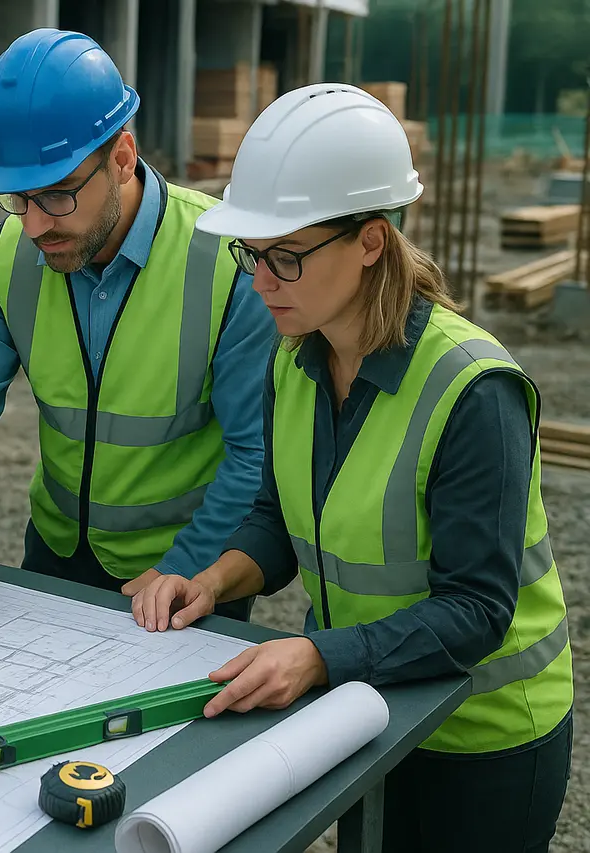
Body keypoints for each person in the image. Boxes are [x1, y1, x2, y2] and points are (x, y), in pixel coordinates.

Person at [132, 83, 573, 852]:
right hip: (366, 713)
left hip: (486, 739)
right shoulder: (293, 363)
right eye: (252, 254)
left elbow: (476, 607)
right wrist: (212, 579)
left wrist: (317, 656)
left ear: (371, 241)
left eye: (286, 257)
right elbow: (277, 519)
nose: (261, 280)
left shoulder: (473, 390)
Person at [0, 28, 276, 632]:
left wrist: (190, 567)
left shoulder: (224, 260)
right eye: (17, 200)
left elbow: (256, 452)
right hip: (56, 557)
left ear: (122, 156)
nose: (35, 226)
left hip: (193, 569)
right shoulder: (4, 258)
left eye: (58, 195)